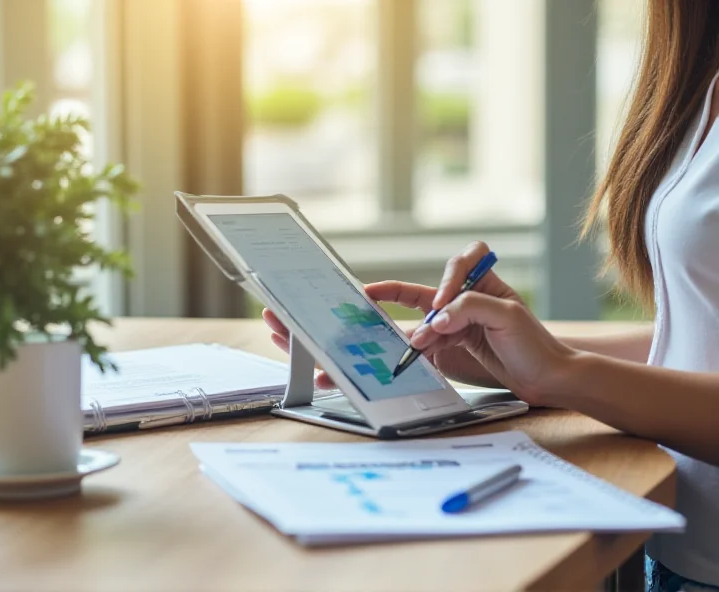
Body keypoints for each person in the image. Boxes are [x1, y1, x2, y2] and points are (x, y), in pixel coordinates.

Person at [263, 1, 719, 590]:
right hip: (678, 545)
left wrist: (564, 373)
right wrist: (511, 356)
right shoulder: (700, 76)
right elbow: (697, 340)